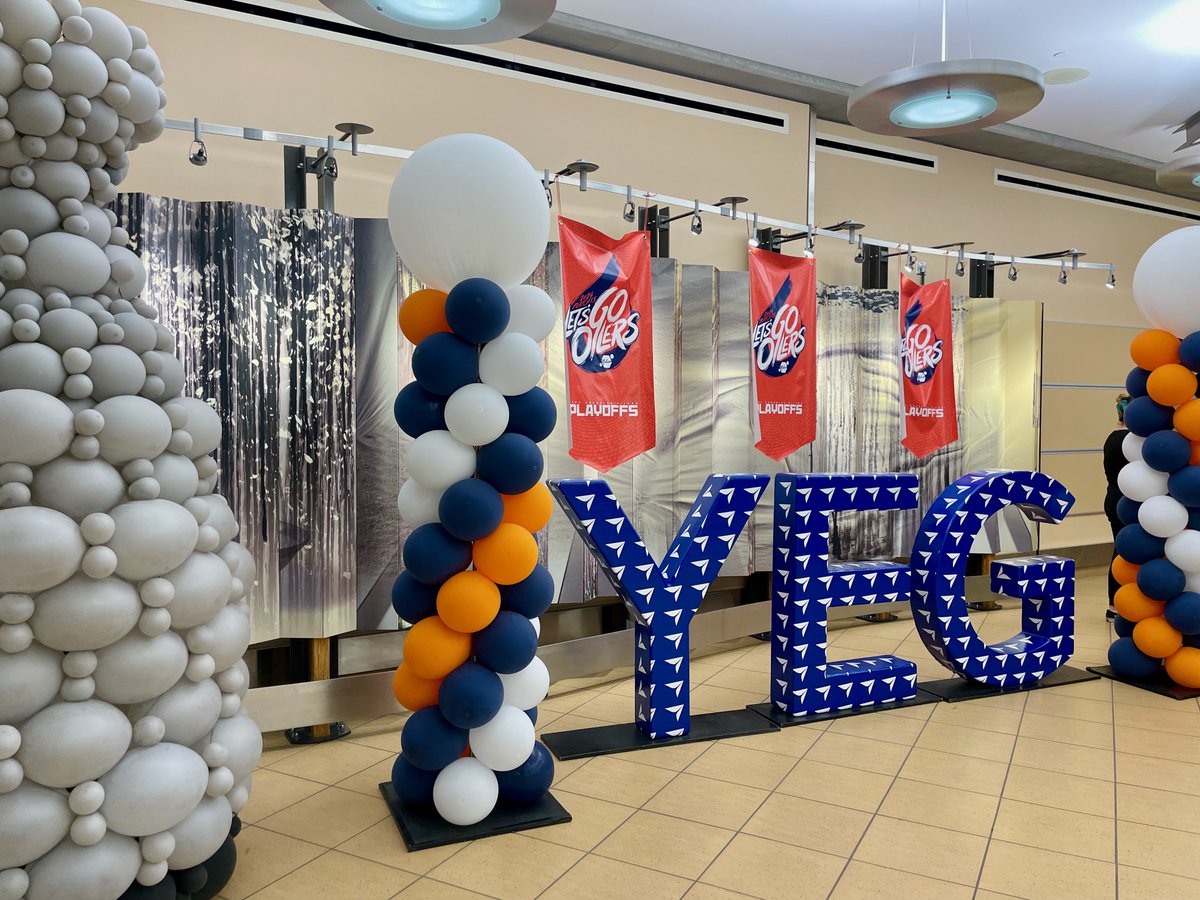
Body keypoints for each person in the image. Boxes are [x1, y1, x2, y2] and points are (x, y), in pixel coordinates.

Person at [1103, 394, 1131, 616]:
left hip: (1115, 499)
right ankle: (1115, 604)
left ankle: (1115, 603)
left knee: (1120, 550)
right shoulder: (1128, 441)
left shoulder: (1113, 437)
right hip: (1124, 503)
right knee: (1122, 552)